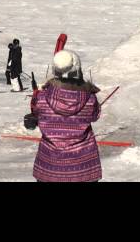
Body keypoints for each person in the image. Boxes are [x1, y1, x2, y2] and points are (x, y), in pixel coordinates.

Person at [25, 49, 102, 182]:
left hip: (50, 166)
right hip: (83, 166)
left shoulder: (42, 98)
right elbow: (95, 115)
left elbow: (37, 113)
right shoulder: (89, 99)